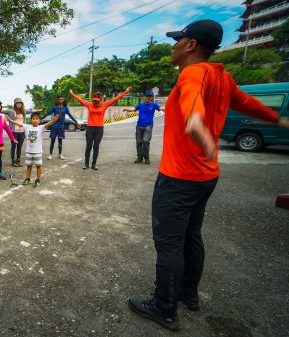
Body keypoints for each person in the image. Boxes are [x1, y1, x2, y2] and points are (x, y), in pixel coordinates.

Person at [127, 19, 289, 331]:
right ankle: (188, 294)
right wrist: (279, 121)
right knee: (191, 235)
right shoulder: (222, 77)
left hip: (179, 177)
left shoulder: (191, 73)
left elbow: (191, 103)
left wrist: (198, 129)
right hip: (205, 176)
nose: (173, 46)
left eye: (178, 40)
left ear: (190, 45)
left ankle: (164, 308)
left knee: (169, 244)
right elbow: (248, 104)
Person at [70, 87, 131, 170]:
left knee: (96, 147)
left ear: (101, 100)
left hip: (99, 129)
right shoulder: (89, 104)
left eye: (97, 101)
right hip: (90, 129)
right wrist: (72, 94)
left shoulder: (105, 104)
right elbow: (80, 100)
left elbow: (116, 98)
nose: (95, 102)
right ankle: (86, 164)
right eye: (94, 100)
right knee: (88, 146)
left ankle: (94, 164)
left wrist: (126, 92)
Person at [9, 112, 60, 187]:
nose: (35, 120)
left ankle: (38, 179)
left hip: (38, 151)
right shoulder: (27, 127)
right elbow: (18, 124)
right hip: (29, 151)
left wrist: (53, 120)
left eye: (37, 119)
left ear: (39, 120)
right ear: (31, 120)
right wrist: (10, 120)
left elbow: (48, 124)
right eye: (33, 119)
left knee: (38, 166)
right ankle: (27, 178)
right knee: (29, 165)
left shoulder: (41, 127)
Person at [123, 90, 164, 164]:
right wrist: (126, 109)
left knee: (145, 141)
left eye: (149, 96)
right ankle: (139, 157)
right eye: (147, 96)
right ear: (144, 97)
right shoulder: (140, 105)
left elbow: (161, 108)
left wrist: (170, 107)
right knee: (139, 142)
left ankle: (146, 157)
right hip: (139, 126)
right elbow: (133, 109)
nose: (148, 98)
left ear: (151, 97)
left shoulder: (154, 105)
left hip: (148, 126)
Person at [3, 97, 43, 167]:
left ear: (21, 104)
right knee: (13, 147)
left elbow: (31, 110)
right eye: (17, 103)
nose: (19, 104)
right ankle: (13, 161)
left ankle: (18, 161)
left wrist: (39, 110)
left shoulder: (24, 111)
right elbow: (1, 111)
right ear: (15, 104)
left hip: (22, 132)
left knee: (19, 147)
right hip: (14, 132)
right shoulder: (11, 111)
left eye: (20, 103)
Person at [41, 95, 80, 160]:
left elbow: (70, 115)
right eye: (59, 99)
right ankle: (50, 155)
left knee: (60, 141)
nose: (61, 100)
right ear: (58, 100)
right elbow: (48, 113)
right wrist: (41, 118)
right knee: (52, 140)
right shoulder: (54, 107)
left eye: (62, 99)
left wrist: (76, 122)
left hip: (61, 126)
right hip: (54, 126)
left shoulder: (65, 108)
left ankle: (60, 154)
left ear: (64, 100)